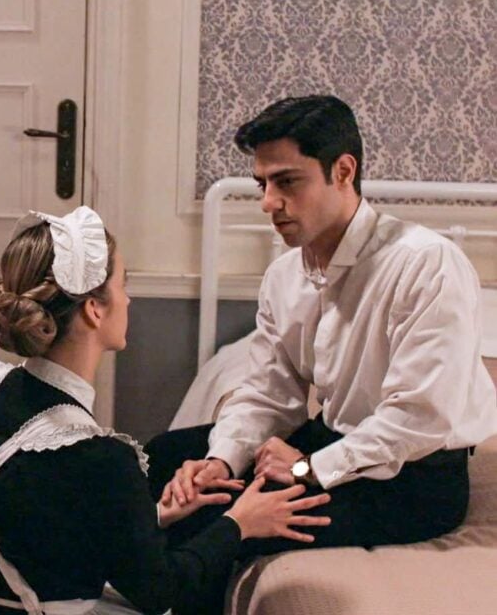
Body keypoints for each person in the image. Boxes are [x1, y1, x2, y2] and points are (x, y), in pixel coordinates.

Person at [147, 95, 497, 562]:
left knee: (218, 524)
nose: (268, 203)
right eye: (262, 184)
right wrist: (222, 460)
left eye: (287, 181)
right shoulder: (284, 276)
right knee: (159, 459)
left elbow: (421, 418)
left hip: (413, 479)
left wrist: (308, 468)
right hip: (328, 437)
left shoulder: (426, 264)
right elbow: (270, 394)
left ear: (344, 171)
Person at [0, 206, 331, 615]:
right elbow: (162, 591)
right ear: (94, 309)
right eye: (124, 284)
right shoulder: (100, 457)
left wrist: (153, 516)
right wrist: (239, 524)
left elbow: (37, 527)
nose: (128, 299)